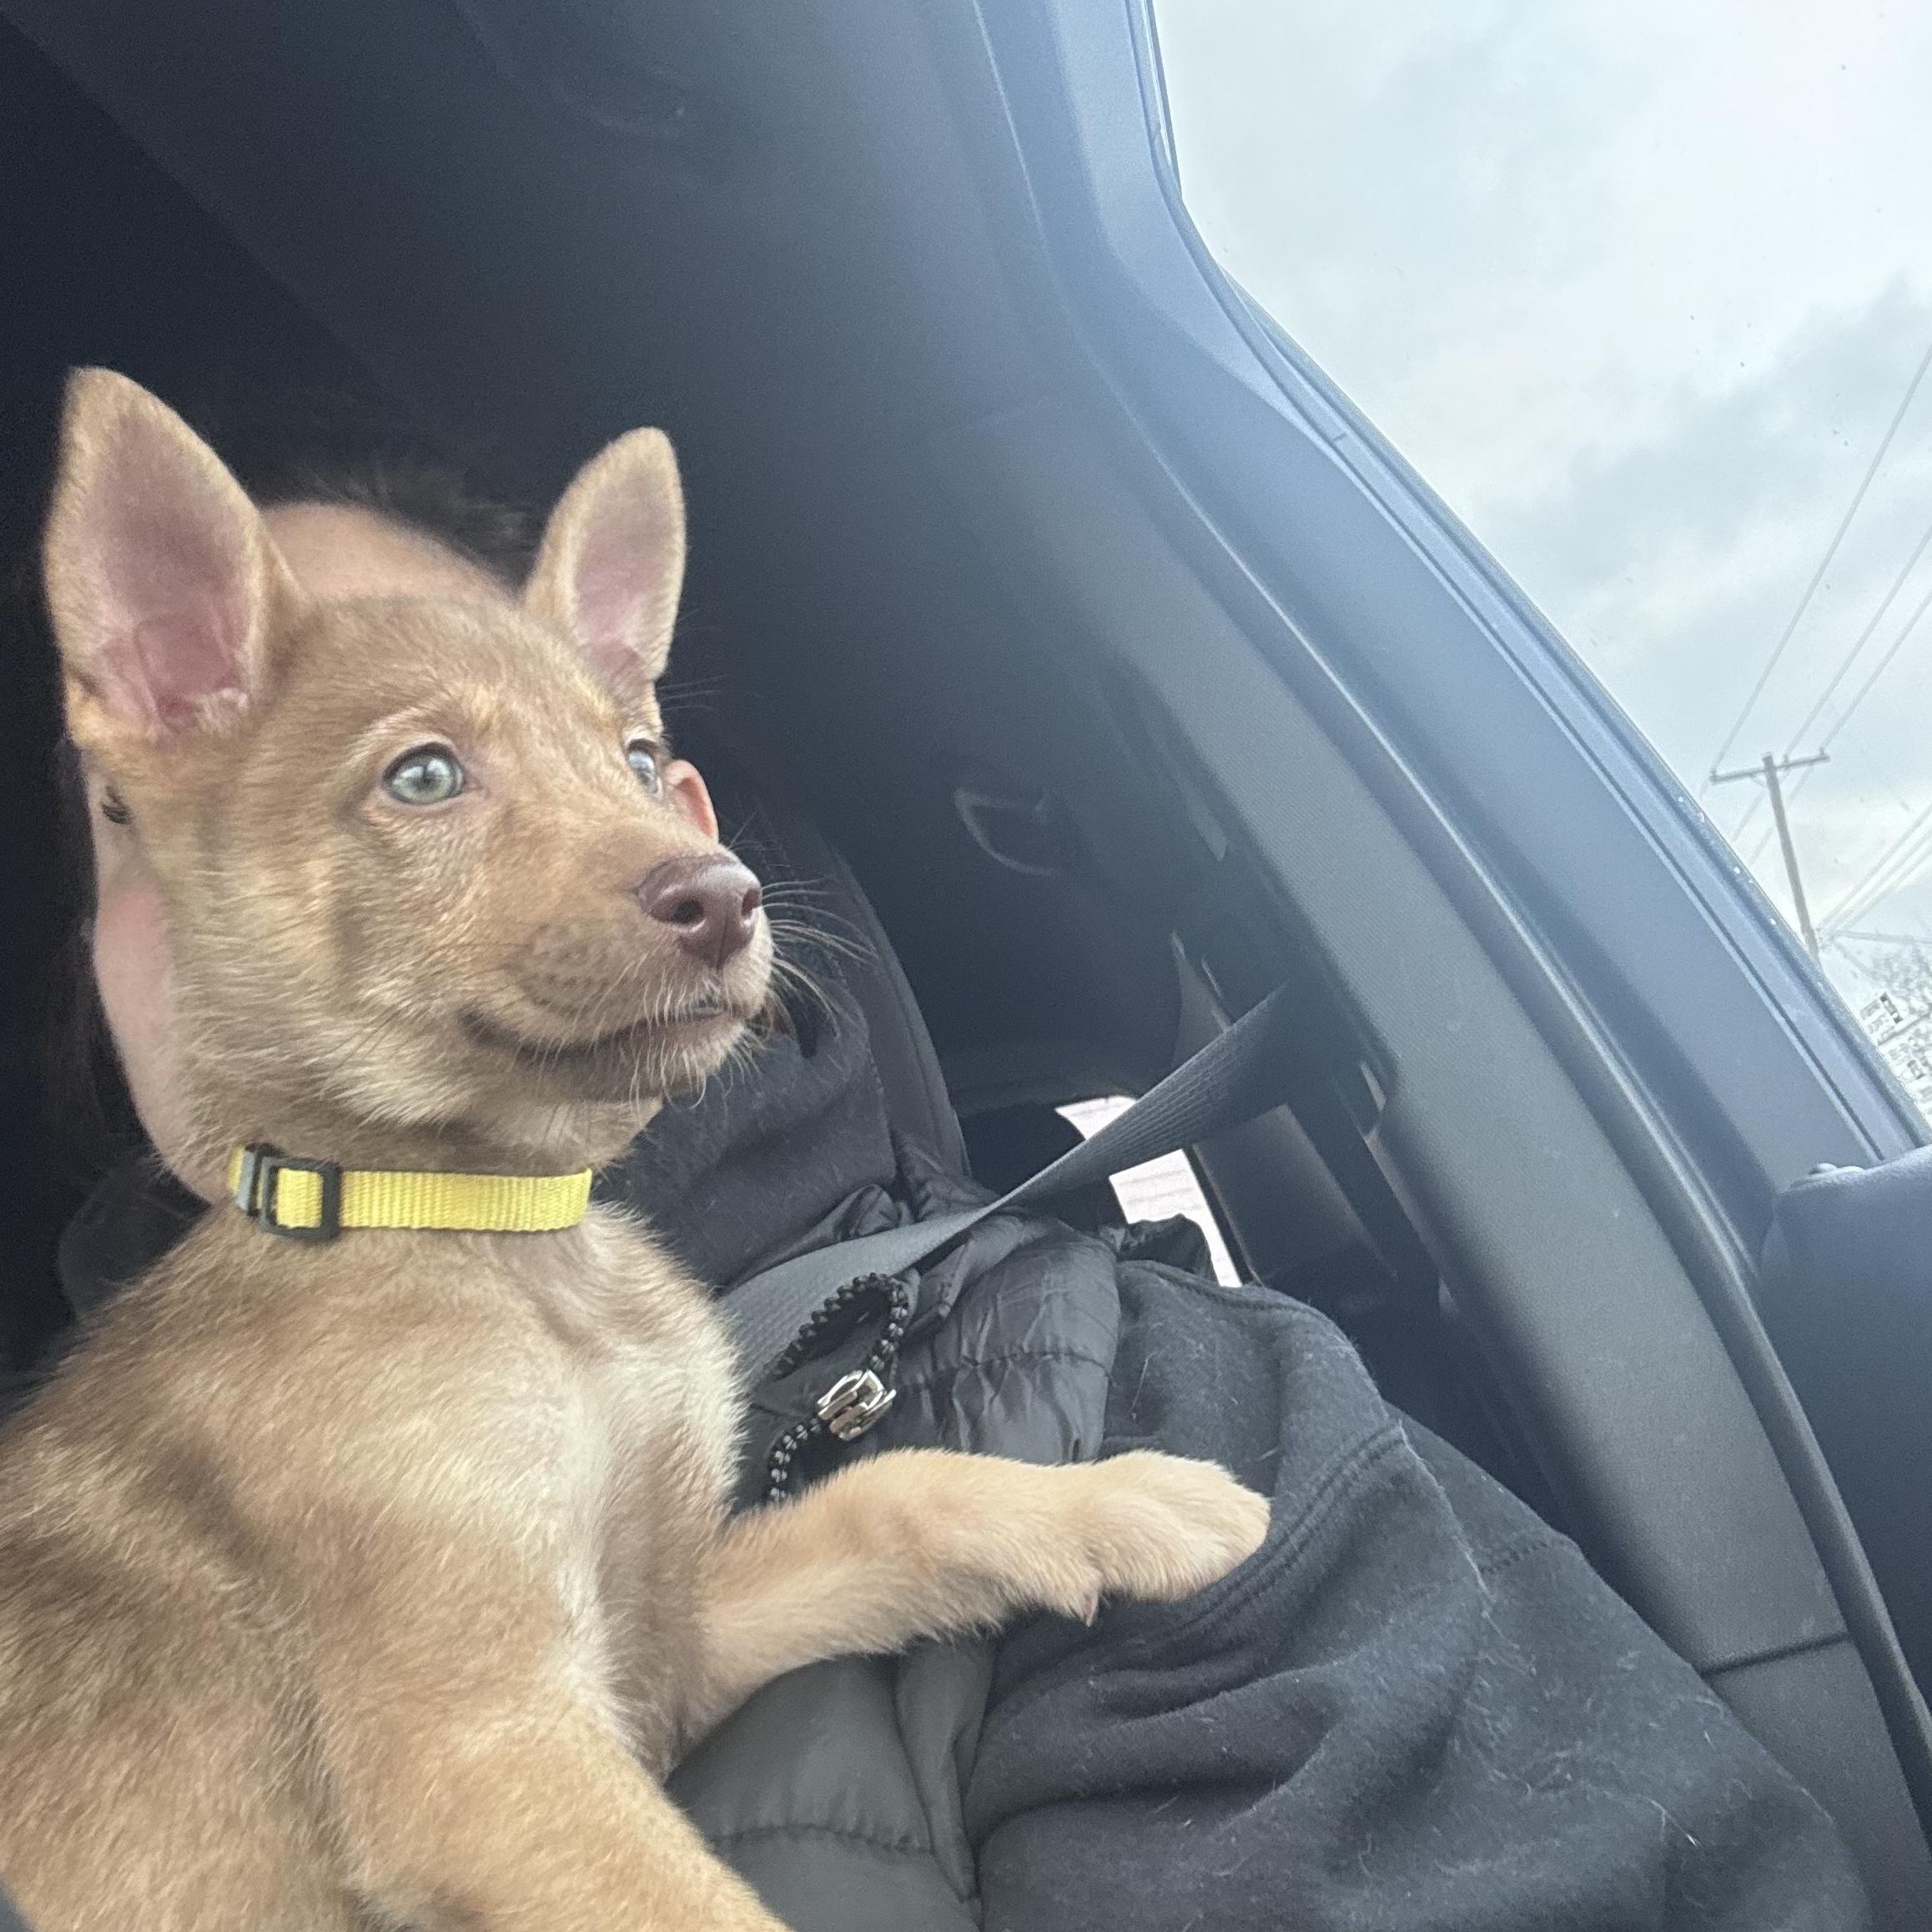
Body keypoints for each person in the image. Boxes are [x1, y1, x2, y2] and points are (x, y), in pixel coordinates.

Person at [32, 396, 1870, 1932]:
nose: (621, 856)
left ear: (688, 814)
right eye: (423, 774)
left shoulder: (1139, 1386)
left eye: (615, 741)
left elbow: (627, 1667)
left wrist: (983, 1513)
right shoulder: (207, 1424)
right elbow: (478, 1766)